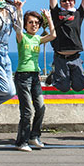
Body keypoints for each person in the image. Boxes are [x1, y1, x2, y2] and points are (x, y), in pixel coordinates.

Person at [13, 9, 57, 152]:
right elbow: (18, 28)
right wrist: (19, 10)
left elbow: (53, 35)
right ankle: (21, 142)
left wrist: (49, 18)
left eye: (37, 23)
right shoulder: (22, 37)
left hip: (35, 77)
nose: (34, 25)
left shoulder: (38, 39)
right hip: (22, 77)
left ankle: (34, 136)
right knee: (27, 111)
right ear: (26, 25)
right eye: (30, 22)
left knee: (41, 107)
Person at [47, 0, 84, 92]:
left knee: (79, 86)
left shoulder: (78, 14)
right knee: (64, 88)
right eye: (64, 1)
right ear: (60, 3)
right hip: (60, 57)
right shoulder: (56, 13)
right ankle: (55, 75)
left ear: (74, 2)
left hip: (75, 56)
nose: (67, 2)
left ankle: (58, 76)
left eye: (70, 0)